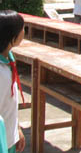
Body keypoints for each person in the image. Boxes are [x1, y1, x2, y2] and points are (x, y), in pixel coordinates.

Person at [0, 10, 26, 153]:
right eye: (22, 28)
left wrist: (17, 128)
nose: (24, 32)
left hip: (10, 137)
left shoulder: (9, 60)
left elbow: (9, 103)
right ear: (12, 35)